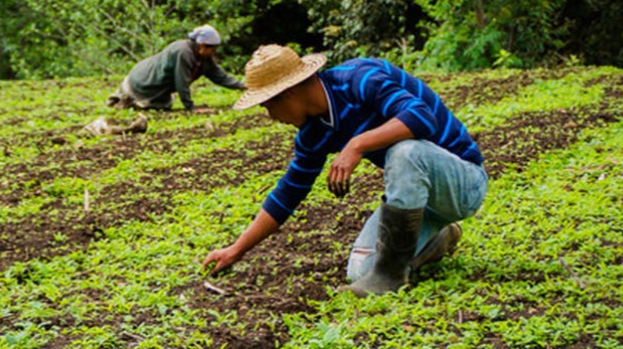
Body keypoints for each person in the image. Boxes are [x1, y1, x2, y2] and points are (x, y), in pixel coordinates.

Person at [202, 44, 488, 296]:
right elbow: (288, 193)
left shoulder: (359, 79)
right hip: (421, 204)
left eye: (268, 107)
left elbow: (421, 117)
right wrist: (236, 249)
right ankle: (437, 239)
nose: (272, 117)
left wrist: (357, 144)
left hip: (463, 183)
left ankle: (390, 276)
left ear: (287, 94)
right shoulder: (313, 133)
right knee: (361, 271)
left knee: (405, 151)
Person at [107, 25, 245, 112]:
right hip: (143, 81)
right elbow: (181, 81)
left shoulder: (202, 57)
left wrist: (242, 86)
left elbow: (218, 75)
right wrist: (191, 107)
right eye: (213, 49)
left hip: (156, 85)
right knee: (158, 107)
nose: (214, 53)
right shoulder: (183, 52)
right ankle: (126, 100)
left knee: (164, 105)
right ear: (202, 45)